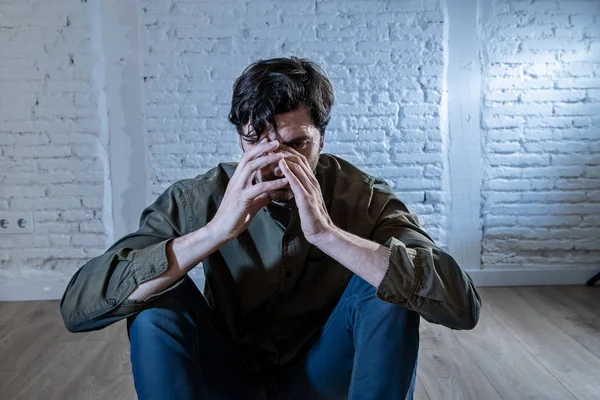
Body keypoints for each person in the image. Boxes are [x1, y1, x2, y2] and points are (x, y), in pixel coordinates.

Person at [60, 57, 481, 400]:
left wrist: (328, 234)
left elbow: (462, 305)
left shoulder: (363, 195)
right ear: (240, 138)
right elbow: (79, 307)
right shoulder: (199, 197)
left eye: (297, 144)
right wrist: (215, 232)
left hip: (322, 377)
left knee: (389, 282)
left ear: (322, 138)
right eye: (255, 143)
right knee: (154, 299)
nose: (277, 162)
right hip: (229, 377)